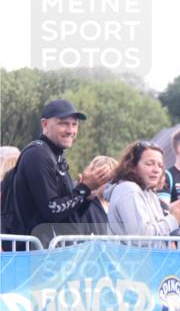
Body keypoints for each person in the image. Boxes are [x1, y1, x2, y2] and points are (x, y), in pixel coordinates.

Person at [0, 99, 112, 245]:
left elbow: (67, 215)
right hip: (29, 254)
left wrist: (87, 194)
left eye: (74, 124)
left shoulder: (56, 155)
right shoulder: (37, 155)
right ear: (45, 124)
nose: (71, 130)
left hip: (45, 252)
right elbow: (52, 210)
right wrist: (83, 189)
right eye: (63, 123)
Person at [106, 141, 180, 237]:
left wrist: (178, 218)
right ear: (132, 167)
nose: (156, 170)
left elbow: (160, 233)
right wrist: (174, 219)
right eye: (149, 164)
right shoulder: (129, 190)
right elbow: (141, 236)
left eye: (160, 166)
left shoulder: (149, 193)